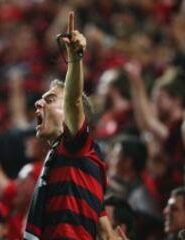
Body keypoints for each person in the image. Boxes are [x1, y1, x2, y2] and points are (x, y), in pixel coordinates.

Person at [23, 12, 119, 240]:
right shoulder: (74, 163)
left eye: (50, 99)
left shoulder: (76, 147)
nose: (38, 102)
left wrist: (75, 60)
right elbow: (103, 224)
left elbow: (74, 101)